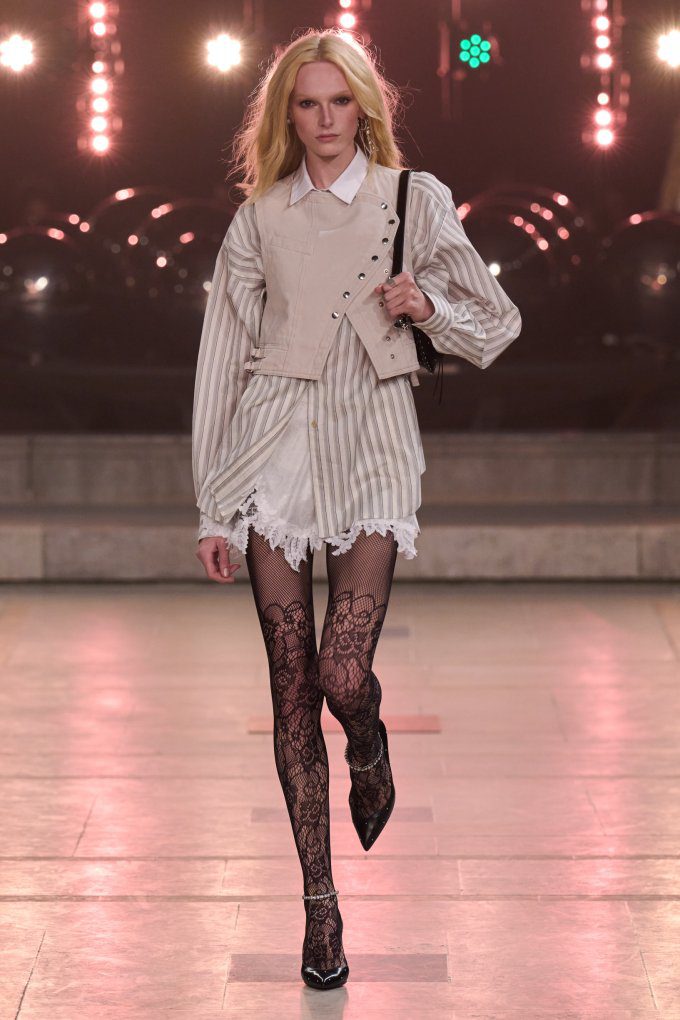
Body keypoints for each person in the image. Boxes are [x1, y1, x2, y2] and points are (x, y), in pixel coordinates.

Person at [192, 29, 521, 991]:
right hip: (273, 449)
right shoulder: (258, 218)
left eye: (340, 101)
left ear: (364, 109)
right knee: (291, 689)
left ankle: (369, 743)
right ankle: (320, 908)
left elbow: (497, 326)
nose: (325, 119)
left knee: (342, 674)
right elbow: (222, 361)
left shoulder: (413, 199)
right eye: (308, 103)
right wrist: (213, 507)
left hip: (372, 441)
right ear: (287, 117)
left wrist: (429, 311)